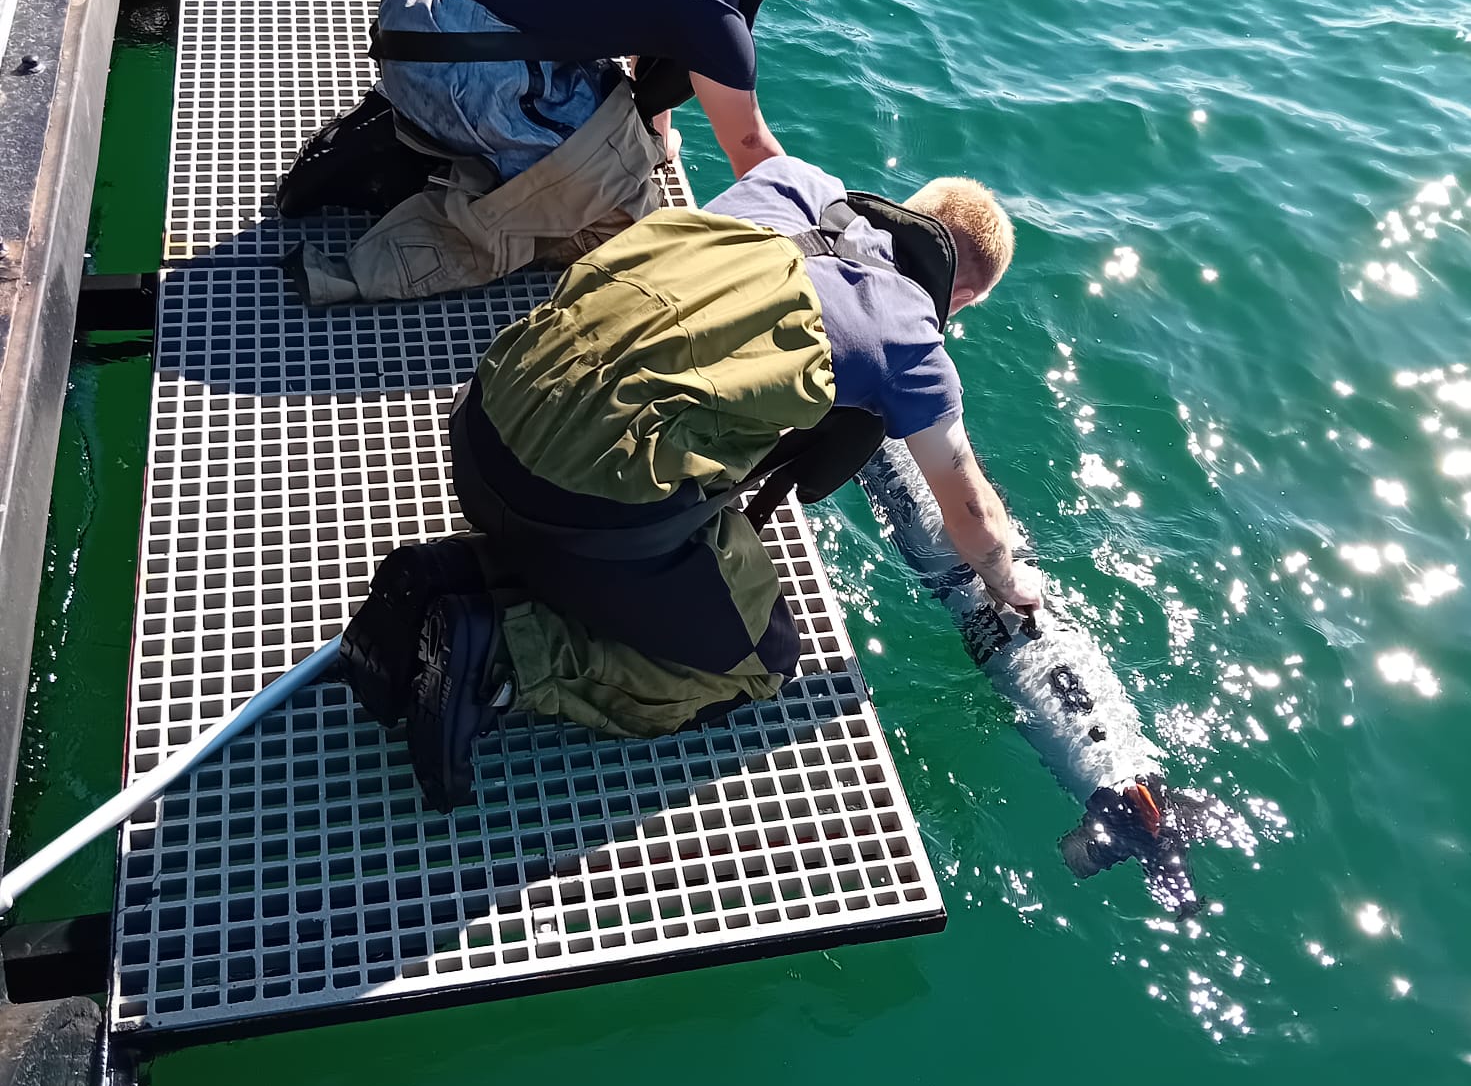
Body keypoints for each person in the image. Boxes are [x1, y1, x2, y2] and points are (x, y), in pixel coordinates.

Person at [338, 157, 1043, 811]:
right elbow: (971, 515)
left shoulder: (788, 180)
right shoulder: (912, 339)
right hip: (575, 497)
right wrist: (1011, 581)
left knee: (623, 490)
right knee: (757, 661)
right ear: (966, 295)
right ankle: (502, 655)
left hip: (483, 419)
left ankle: (452, 571)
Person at [278, 0, 872, 307]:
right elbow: (749, 148)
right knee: (620, 218)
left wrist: (658, 138)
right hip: (443, 60)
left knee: (622, 139)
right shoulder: (712, 3)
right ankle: (399, 201)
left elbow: (645, 23)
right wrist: (823, 244)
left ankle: (450, 135)